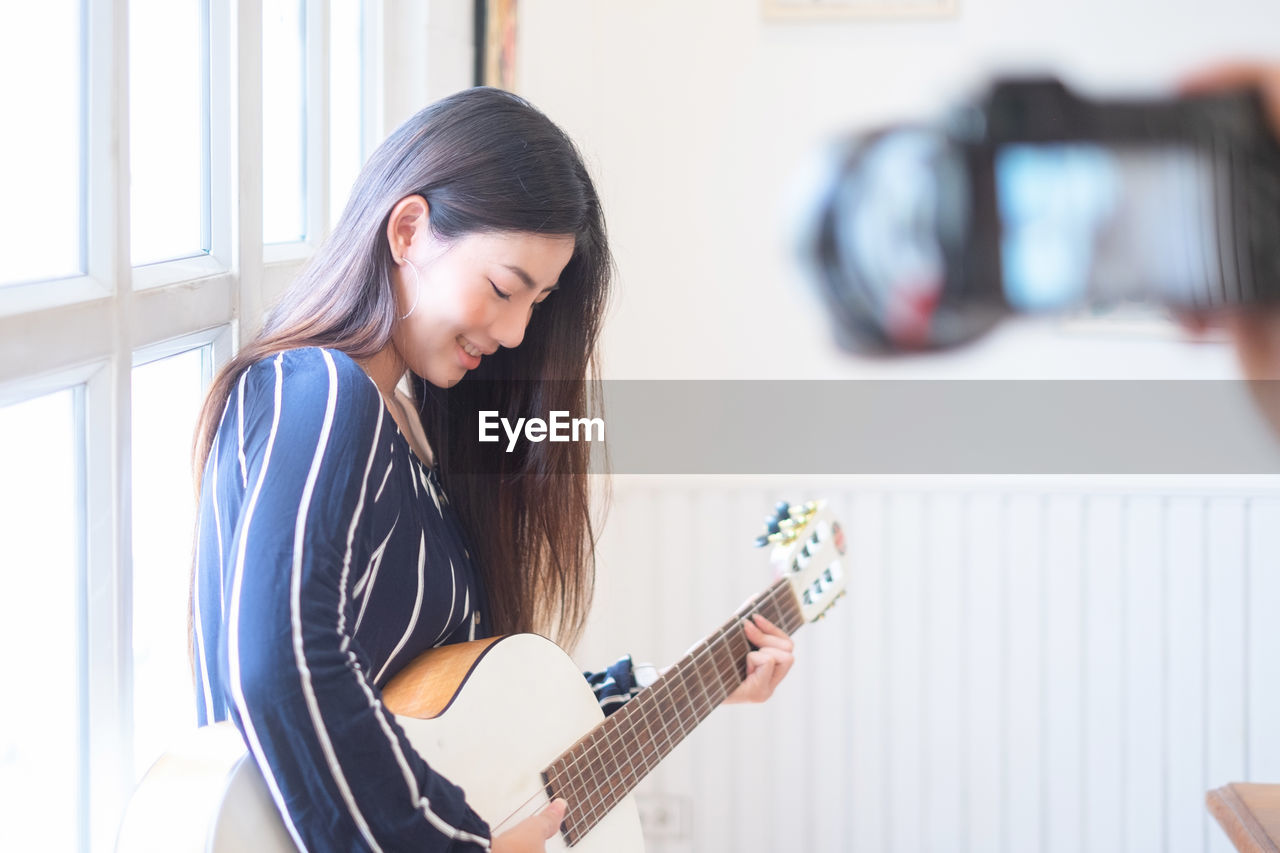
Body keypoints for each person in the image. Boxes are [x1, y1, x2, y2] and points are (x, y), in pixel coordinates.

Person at [188, 87, 796, 853]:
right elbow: (280, 668)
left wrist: (686, 687)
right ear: (408, 228)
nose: (513, 331)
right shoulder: (316, 393)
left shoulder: (400, 431)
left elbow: (448, 730)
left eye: (536, 303)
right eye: (505, 287)